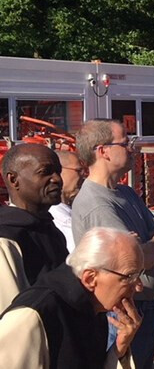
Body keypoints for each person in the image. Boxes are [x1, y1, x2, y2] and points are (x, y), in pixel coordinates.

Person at [72, 119, 154, 369]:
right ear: (103, 151)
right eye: (125, 143)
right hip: (122, 310)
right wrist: (149, 244)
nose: (131, 148)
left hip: (141, 303)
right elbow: (138, 260)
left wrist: (148, 243)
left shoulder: (126, 193)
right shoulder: (96, 204)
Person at [0, 226, 142, 368]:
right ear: (90, 278)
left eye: (139, 275)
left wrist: (119, 349)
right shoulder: (32, 318)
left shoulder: (94, 307)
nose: (138, 287)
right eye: (129, 277)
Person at [0, 144, 68, 312]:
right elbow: (11, 318)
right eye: (45, 172)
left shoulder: (49, 229)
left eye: (58, 171)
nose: (57, 179)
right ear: (13, 180)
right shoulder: (6, 239)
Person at [48, 151, 87, 252]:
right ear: (59, 171)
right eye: (78, 170)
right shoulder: (59, 218)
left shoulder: (68, 211)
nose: (83, 175)